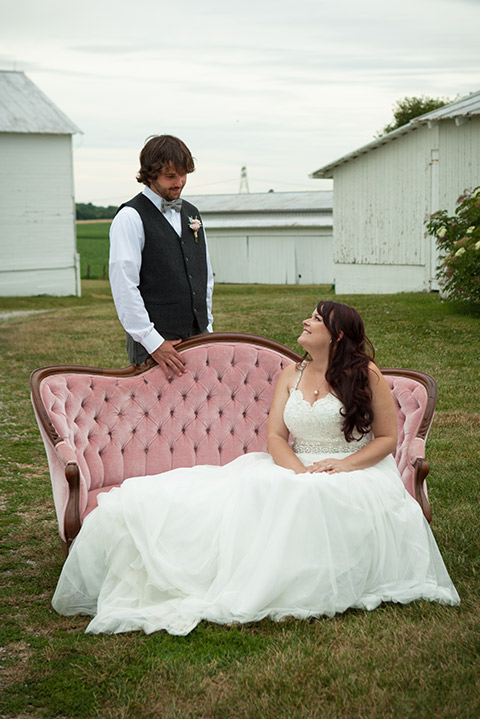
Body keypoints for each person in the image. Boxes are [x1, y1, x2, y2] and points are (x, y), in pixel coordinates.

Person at [52, 301, 459, 636]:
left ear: (336, 335)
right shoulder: (291, 374)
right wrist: (297, 472)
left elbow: (387, 439)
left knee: (305, 498)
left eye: (316, 319)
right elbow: (277, 438)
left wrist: (343, 465)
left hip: (355, 470)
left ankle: (292, 586)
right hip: (293, 465)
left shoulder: (365, 375)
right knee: (235, 498)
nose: (305, 321)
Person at [109, 134, 214, 376]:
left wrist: (206, 329)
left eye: (183, 174)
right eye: (170, 176)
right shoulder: (130, 218)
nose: (179, 182)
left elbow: (203, 275)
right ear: (149, 176)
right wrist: (153, 342)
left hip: (198, 338)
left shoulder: (192, 213)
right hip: (154, 346)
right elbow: (124, 286)